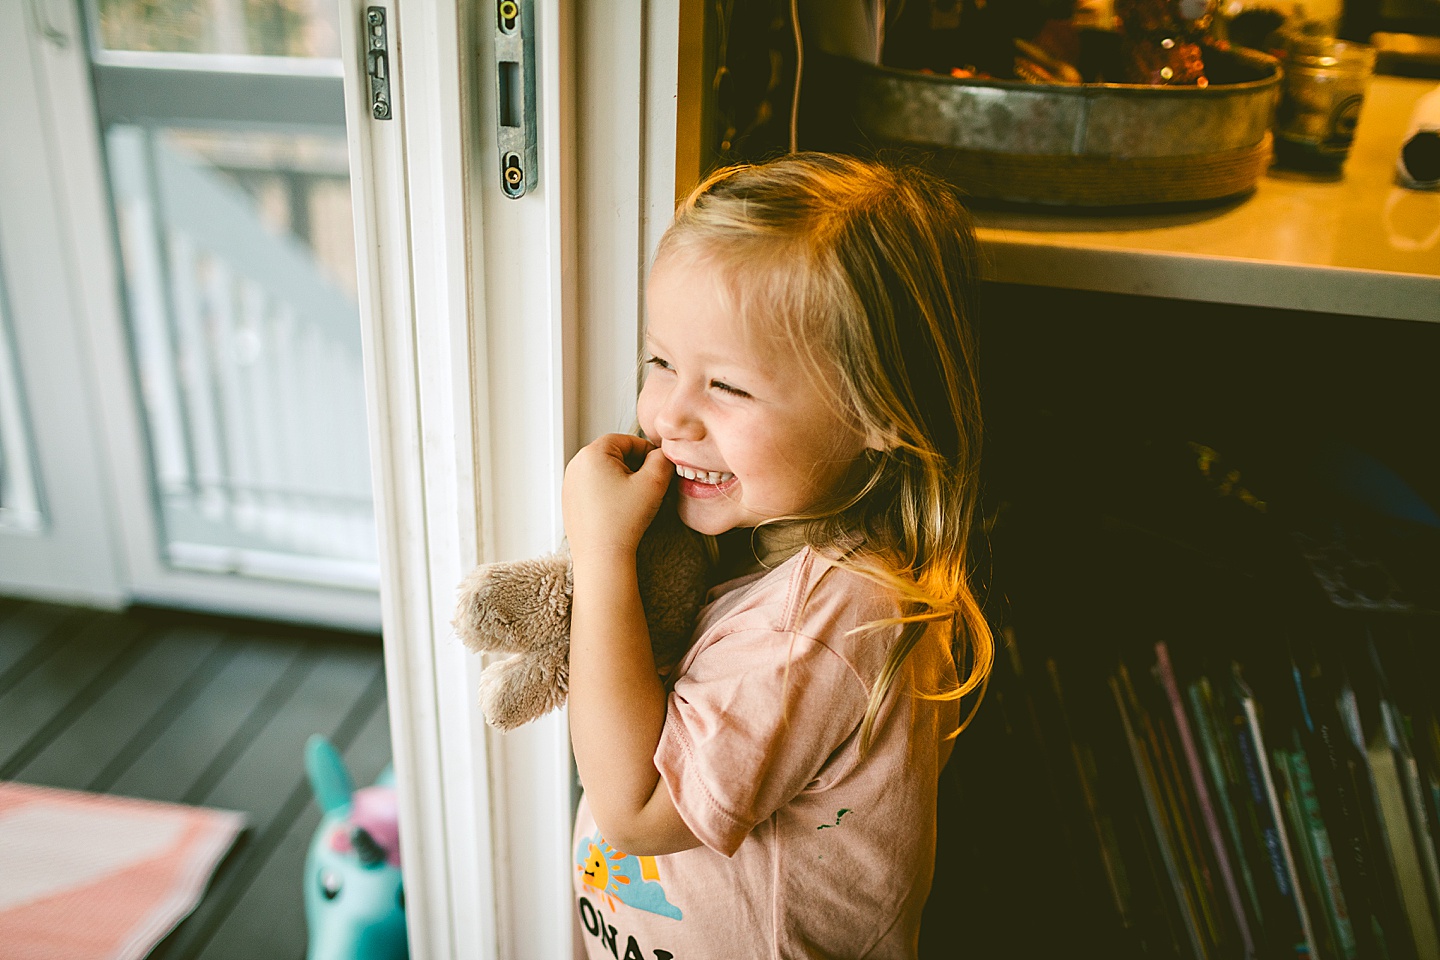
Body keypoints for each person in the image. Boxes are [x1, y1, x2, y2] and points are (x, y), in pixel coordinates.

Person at [564, 153, 992, 959]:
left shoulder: (826, 617)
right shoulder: (765, 550)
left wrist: (601, 556)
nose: (668, 415)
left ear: (878, 408)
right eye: (661, 363)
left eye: (727, 387)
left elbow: (635, 810)